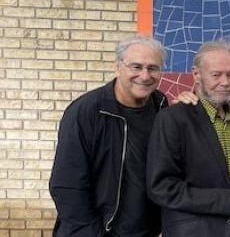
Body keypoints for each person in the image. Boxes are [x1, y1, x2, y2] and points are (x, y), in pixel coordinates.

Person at [49, 34, 168, 236]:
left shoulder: (161, 106)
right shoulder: (86, 112)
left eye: (153, 68)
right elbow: (67, 186)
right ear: (118, 66)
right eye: (136, 67)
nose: (145, 76)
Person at [147, 40, 230, 236]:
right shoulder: (172, 118)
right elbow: (161, 187)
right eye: (216, 75)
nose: (225, 82)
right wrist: (227, 201)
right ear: (196, 75)